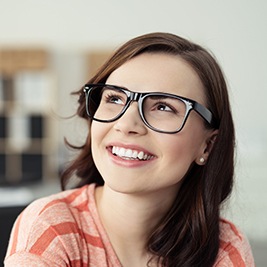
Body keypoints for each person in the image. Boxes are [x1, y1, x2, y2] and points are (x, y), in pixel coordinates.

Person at [4, 32, 255, 267]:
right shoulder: (51, 228)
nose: (126, 124)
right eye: (114, 99)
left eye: (163, 107)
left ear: (208, 145)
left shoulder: (225, 245)